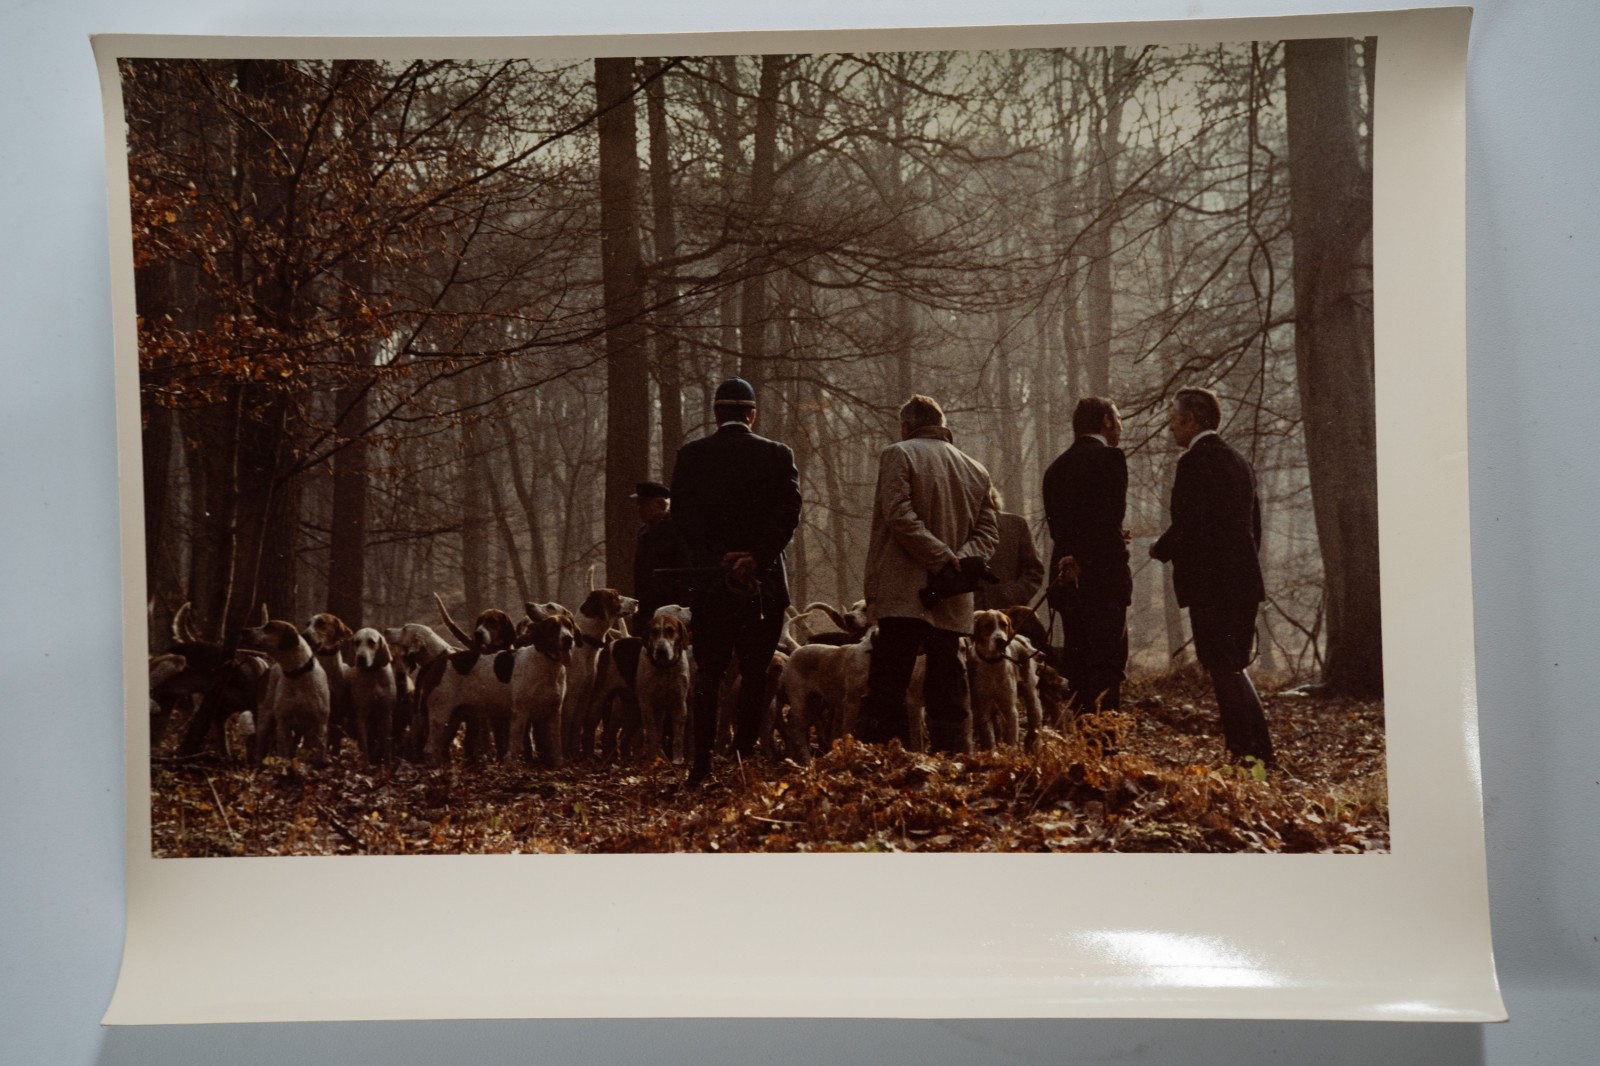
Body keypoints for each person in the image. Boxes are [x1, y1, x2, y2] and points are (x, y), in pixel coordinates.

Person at [669, 377, 802, 785]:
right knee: (756, 672)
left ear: (715, 414)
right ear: (752, 414)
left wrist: (719, 558)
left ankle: (702, 764)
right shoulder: (778, 455)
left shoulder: (692, 456)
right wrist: (756, 558)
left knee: (709, 672)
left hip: (712, 583)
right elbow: (789, 513)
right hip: (764, 585)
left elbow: (683, 519)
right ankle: (745, 759)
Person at [855, 395, 1000, 753]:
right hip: (951, 595)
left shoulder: (898, 453)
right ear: (941, 424)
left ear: (906, 426)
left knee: (888, 683)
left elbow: (899, 515)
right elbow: (989, 533)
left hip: (904, 590)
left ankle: (877, 767)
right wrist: (959, 561)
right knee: (948, 685)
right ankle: (952, 766)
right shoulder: (975, 469)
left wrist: (941, 558)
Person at [1149, 387, 1276, 766]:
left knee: (1222, 668)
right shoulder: (1240, 461)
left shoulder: (1192, 463)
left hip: (1212, 586)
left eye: (1174, 419)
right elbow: (1253, 524)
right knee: (1232, 666)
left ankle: (1249, 756)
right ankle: (1256, 754)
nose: (1171, 428)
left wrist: (1162, 548)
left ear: (1191, 419)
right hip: (1244, 581)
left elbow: (1188, 523)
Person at [1041, 396, 1133, 714]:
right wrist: (1117, 542)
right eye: (1118, 418)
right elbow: (1106, 521)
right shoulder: (1110, 459)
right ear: (1106, 421)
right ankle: (1105, 745)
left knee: (1077, 664)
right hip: (1104, 582)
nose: (1120, 426)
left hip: (1068, 582)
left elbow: (1062, 529)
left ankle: (1082, 743)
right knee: (1107, 664)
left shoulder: (1055, 469)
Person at [629, 480, 691, 634]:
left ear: (659, 504)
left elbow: (683, 569)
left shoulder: (676, 530)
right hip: (646, 604)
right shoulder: (644, 533)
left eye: (643, 503)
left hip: (669, 603)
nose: (639, 508)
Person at [971, 488, 1045, 613]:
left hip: (1010, 615)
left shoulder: (1016, 525)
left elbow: (1034, 570)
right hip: (972, 617)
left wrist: (1013, 596)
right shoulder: (960, 528)